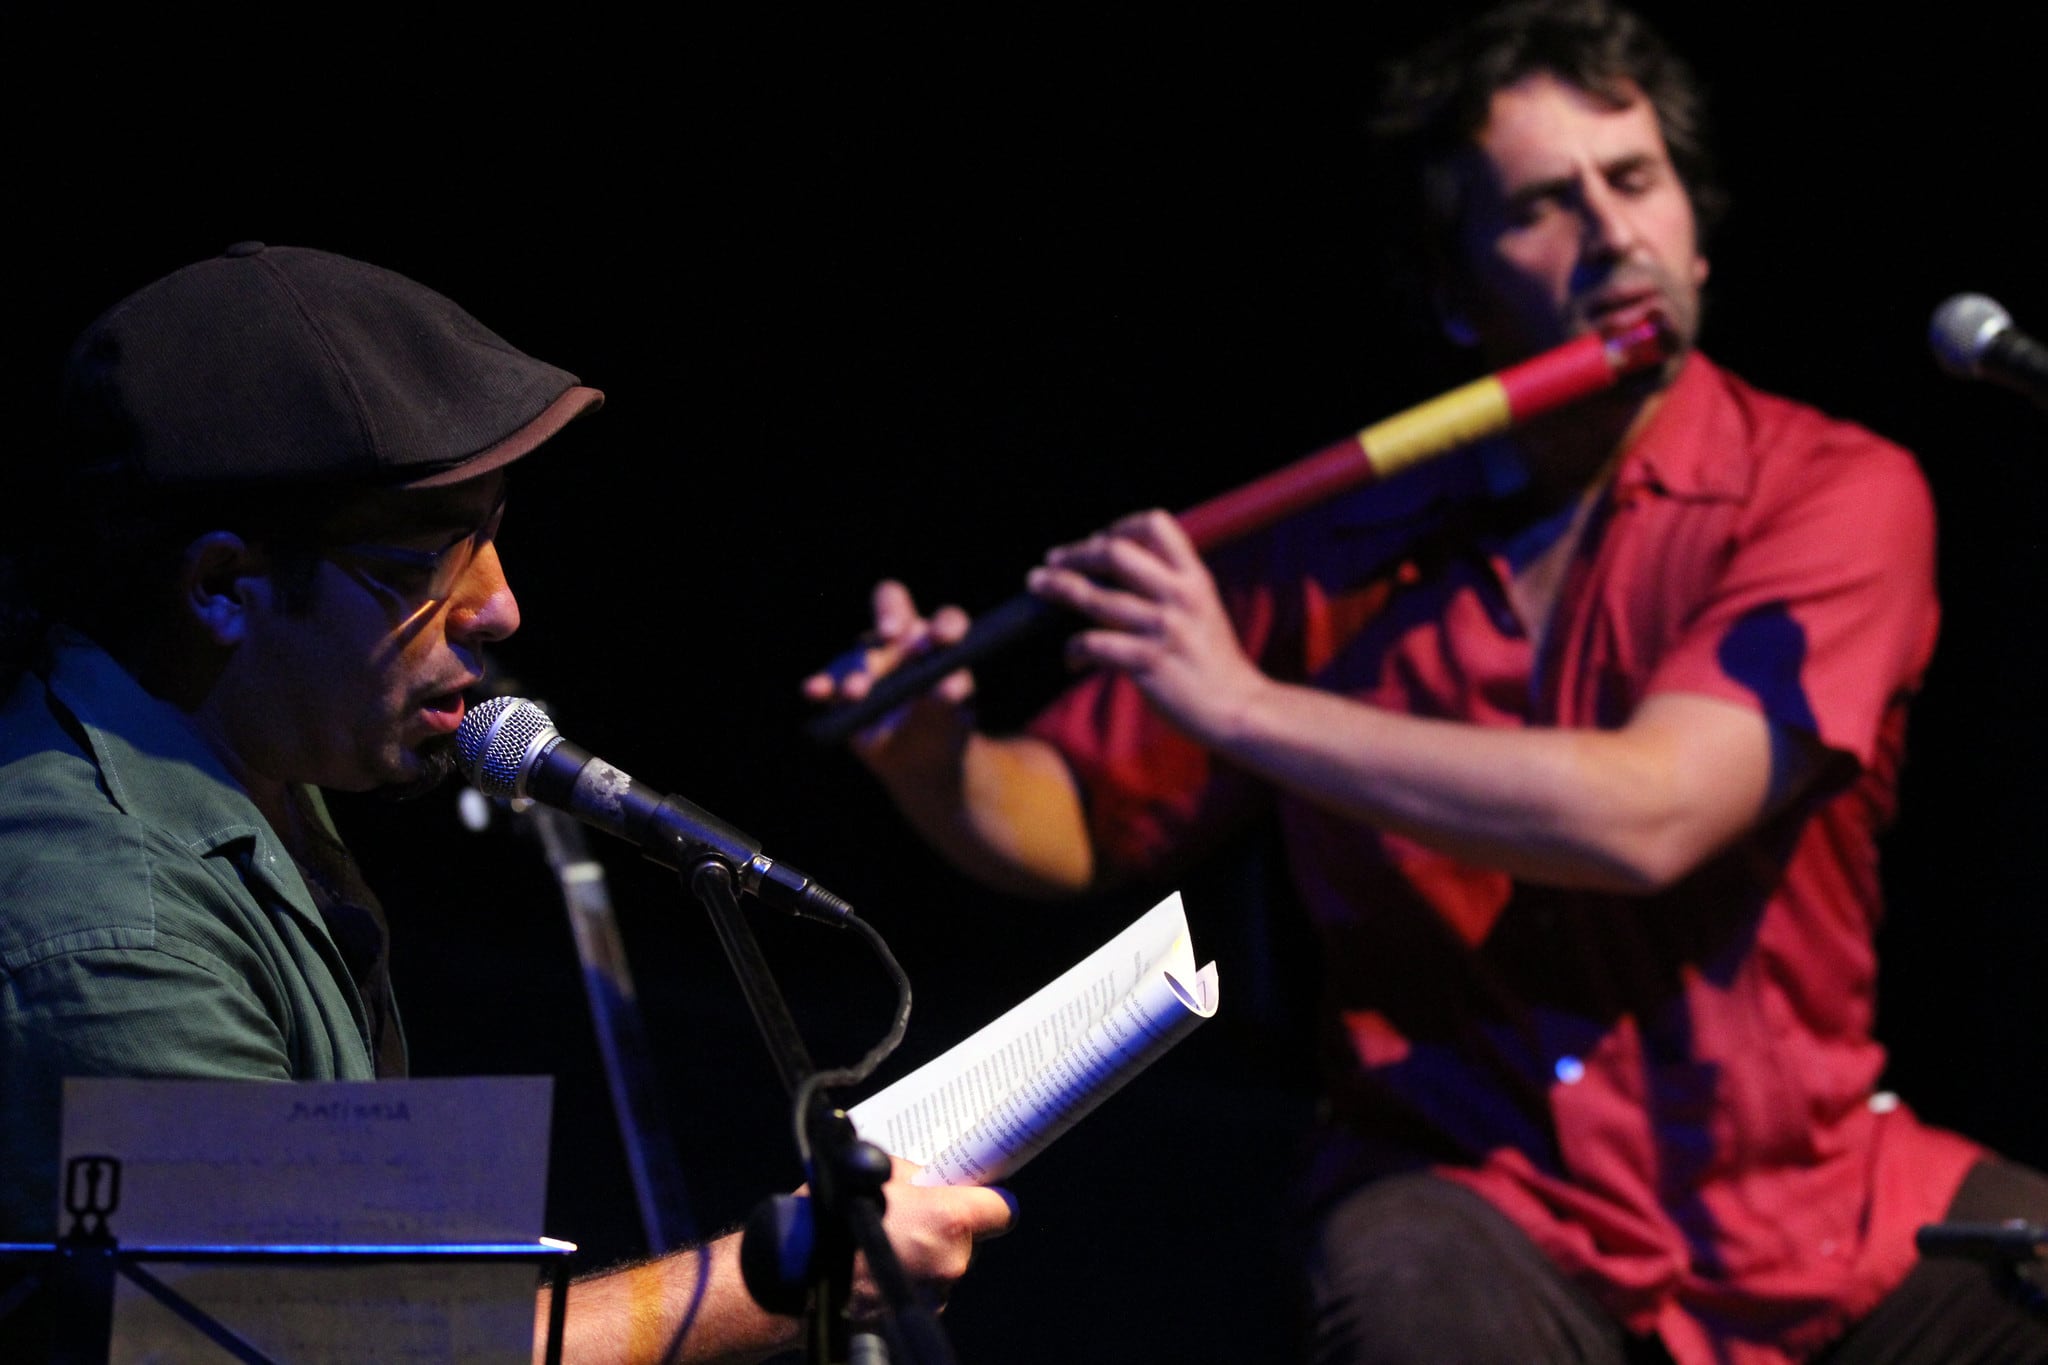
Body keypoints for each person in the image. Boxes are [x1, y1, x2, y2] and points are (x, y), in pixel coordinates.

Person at [804, 2, 2048, 1362]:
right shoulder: (1345, 538)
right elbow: (1073, 817)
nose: (1613, 234)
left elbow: (1650, 814)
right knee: (1400, 1285)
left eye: (1634, 182)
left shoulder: (1832, 491)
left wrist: (1251, 709)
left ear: (1694, 221)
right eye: (1542, 207)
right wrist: (938, 758)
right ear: (1457, 291)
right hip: (1474, 1194)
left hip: (1812, 1211)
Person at [0, 241, 1014, 1363]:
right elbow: (331, 1356)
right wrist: (779, 1279)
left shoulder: (250, 770)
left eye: (490, 531)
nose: (499, 606)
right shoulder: (113, 928)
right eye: (426, 560)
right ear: (224, 588)